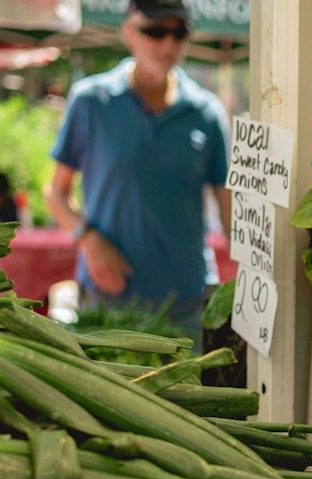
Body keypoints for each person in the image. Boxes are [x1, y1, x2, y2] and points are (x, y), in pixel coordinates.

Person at [44, 0, 229, 350]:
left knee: (185, 404)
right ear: (128, 32)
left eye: (179, 33)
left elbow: (230, 208)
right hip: (110, 301)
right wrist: (88, 240)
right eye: (155, 31)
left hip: (186, 303)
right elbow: (55, 194)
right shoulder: (91, 102)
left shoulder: (206, 111)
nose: (168, 44)